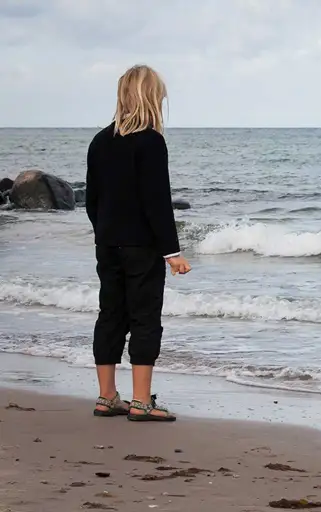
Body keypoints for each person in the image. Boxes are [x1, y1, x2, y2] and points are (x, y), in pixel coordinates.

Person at [86, 65, 191, 422]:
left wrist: (105, 233)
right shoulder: (150, 141)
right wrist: (172, 252)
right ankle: (142, 402)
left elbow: (92, 200)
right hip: (141, 247)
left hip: (107, 244)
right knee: (144, 318)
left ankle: (106, 397)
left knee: (110, 315)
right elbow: (157, 202)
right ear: (151, 97)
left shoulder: (100, 140)